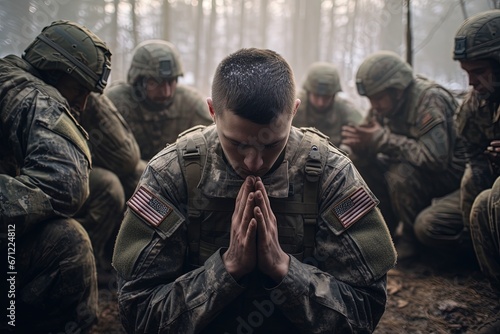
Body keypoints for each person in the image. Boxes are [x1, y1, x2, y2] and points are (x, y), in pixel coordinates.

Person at [112, 47, 397, 333]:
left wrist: (284, 269)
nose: (253, 162)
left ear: (294, 111)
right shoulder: (171, 173)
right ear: (212, 111)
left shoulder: (331, 175)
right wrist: (225, 270)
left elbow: (364, 309)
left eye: (272, 144)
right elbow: (137, 310)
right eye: (237, 143)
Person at [0, 20, 111, 333]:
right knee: (68, 242)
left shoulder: (9, 74)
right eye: (79, 90)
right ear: (54, 70)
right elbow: (67, 182)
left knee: (105, 186)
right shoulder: (37, 96)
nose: (82, 104)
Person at [341, 51, 466, 260]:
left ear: (397, 90)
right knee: (360, 165)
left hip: (452, 175)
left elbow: (436, 159)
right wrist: (351, 150)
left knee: (400, 173)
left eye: (378, 98)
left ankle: (410, 238)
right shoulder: (383, 107)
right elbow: (366, 133)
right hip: (416, 170)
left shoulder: (429, 100)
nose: (374, 105)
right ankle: (381, 230)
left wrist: (381, 140)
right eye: (371, 99)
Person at [445, 10, 500, 333]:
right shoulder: (475, 104)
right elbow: (473, 158)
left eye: (478, 72)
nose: (470, 82)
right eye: (466, 72)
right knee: (479, 197)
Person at [106, 39, 213, 162]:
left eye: (171, 81)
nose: (166, 92)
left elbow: (215, 141)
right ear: (139, 81)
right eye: (156, 83)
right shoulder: (117, 102)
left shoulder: (190, 103)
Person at [75, 92, 142, 283]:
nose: (166, 91)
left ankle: (125, 257)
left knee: (142, 176)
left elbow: (128, 158)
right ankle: (87, 261)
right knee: (109, 186)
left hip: (87, 161)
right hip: (60, 169)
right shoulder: (120, 96)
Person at [293, 61, 363, 147]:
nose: (321, 103)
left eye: (326, 97)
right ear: (308, 92)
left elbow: (362, 130)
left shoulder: (345, 109)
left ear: (333, 95)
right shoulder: (294, 106)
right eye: (316, 96)